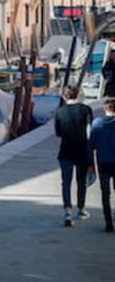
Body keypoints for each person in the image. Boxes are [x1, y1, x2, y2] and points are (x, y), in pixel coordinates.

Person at [54, 85, 92, 227]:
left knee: (66, 182)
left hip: (65, 151)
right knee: (82, 181)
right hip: (82, 151)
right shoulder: (85, 110)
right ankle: (81, 209)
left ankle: (67, 211)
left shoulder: (59, 112)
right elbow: (89, 131)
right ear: (77, 94)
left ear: (64, 96)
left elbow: (58, 133)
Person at [88, 96, 115, 232]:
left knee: (105, 193)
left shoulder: (97, 123)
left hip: (103, 162)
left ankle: (108, 221)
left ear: (105, 109)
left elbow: (90, 145)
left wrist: (90, 164)